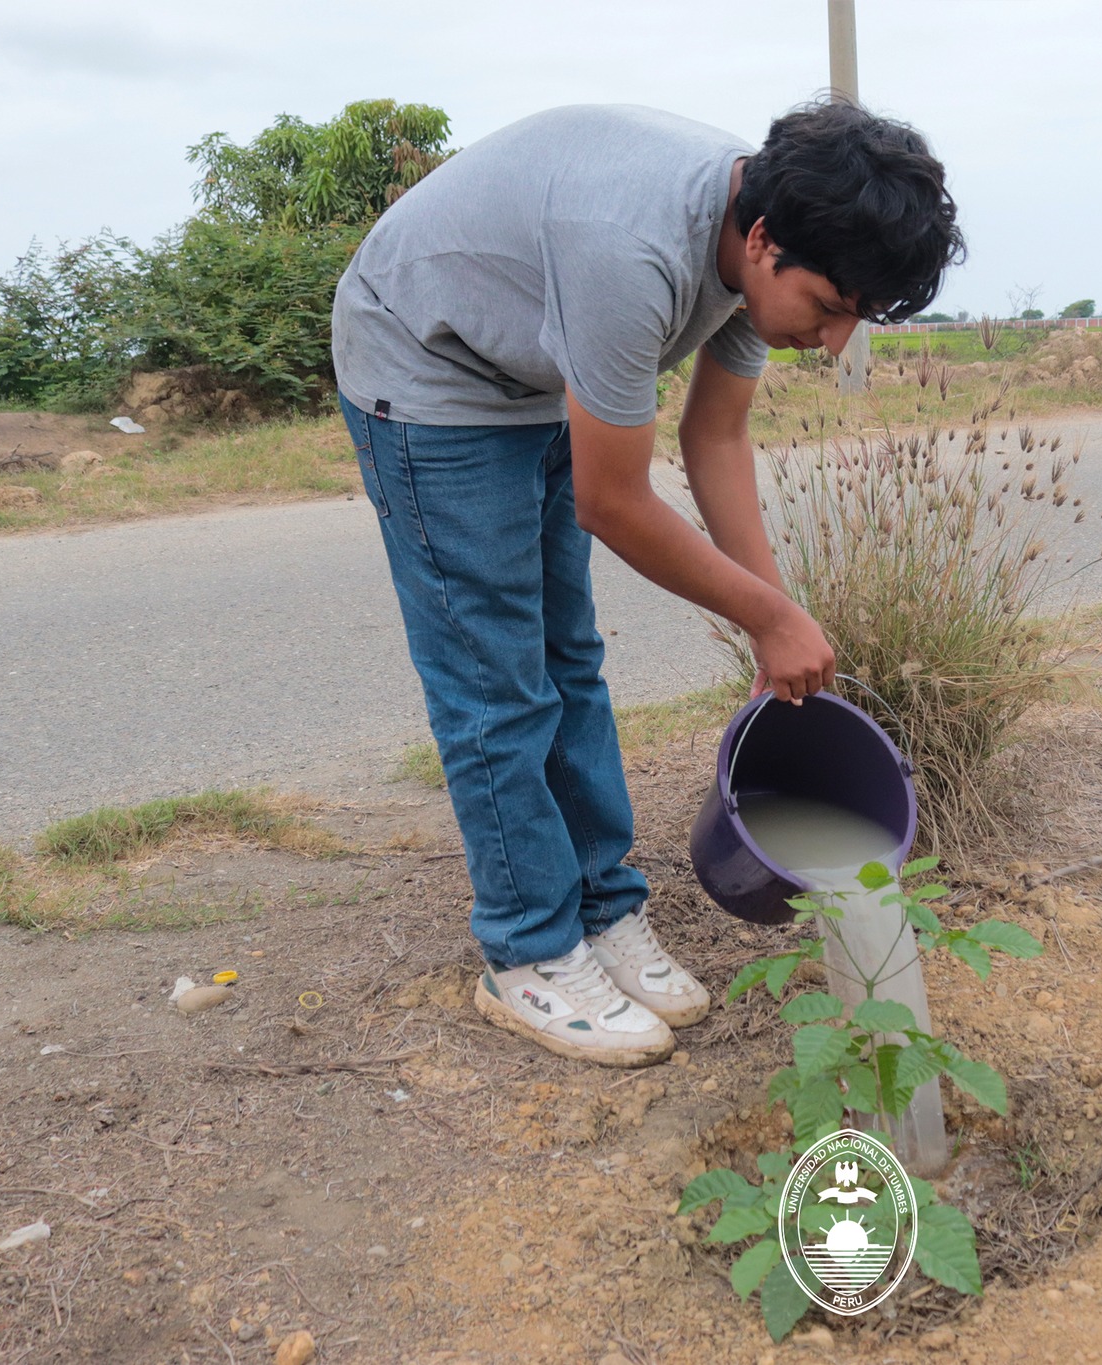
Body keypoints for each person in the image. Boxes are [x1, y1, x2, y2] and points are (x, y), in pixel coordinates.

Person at [331, 100, 963, 1067]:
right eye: (832, 309)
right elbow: (614, 501)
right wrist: (766, 612)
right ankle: (529, 946)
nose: (835, 343)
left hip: (527, 368)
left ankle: (601, 906)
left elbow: (713, 437)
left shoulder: (768, 233)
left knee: (570, 659)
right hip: (425, 364)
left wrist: (775, 619)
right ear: (761, 241)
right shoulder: (630, 251)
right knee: (497, 679)